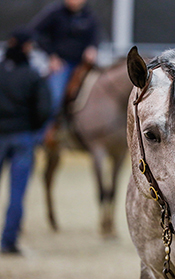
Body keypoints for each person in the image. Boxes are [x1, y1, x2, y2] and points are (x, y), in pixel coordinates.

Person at [0, 28, 52, 254]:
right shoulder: (32, 75)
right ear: (25, 47)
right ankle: (8, 241)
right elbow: (44, 109)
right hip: (23, 137)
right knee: (17, 192)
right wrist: (34, 129)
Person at [29, 0, 99, 120]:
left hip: (84, 65)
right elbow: (34, 32)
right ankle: (43, 134)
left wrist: (93, 48)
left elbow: (95, 37)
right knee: (54, 99)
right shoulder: (54, 13)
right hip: (62, 64)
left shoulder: (89, 15)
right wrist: (51, 55)